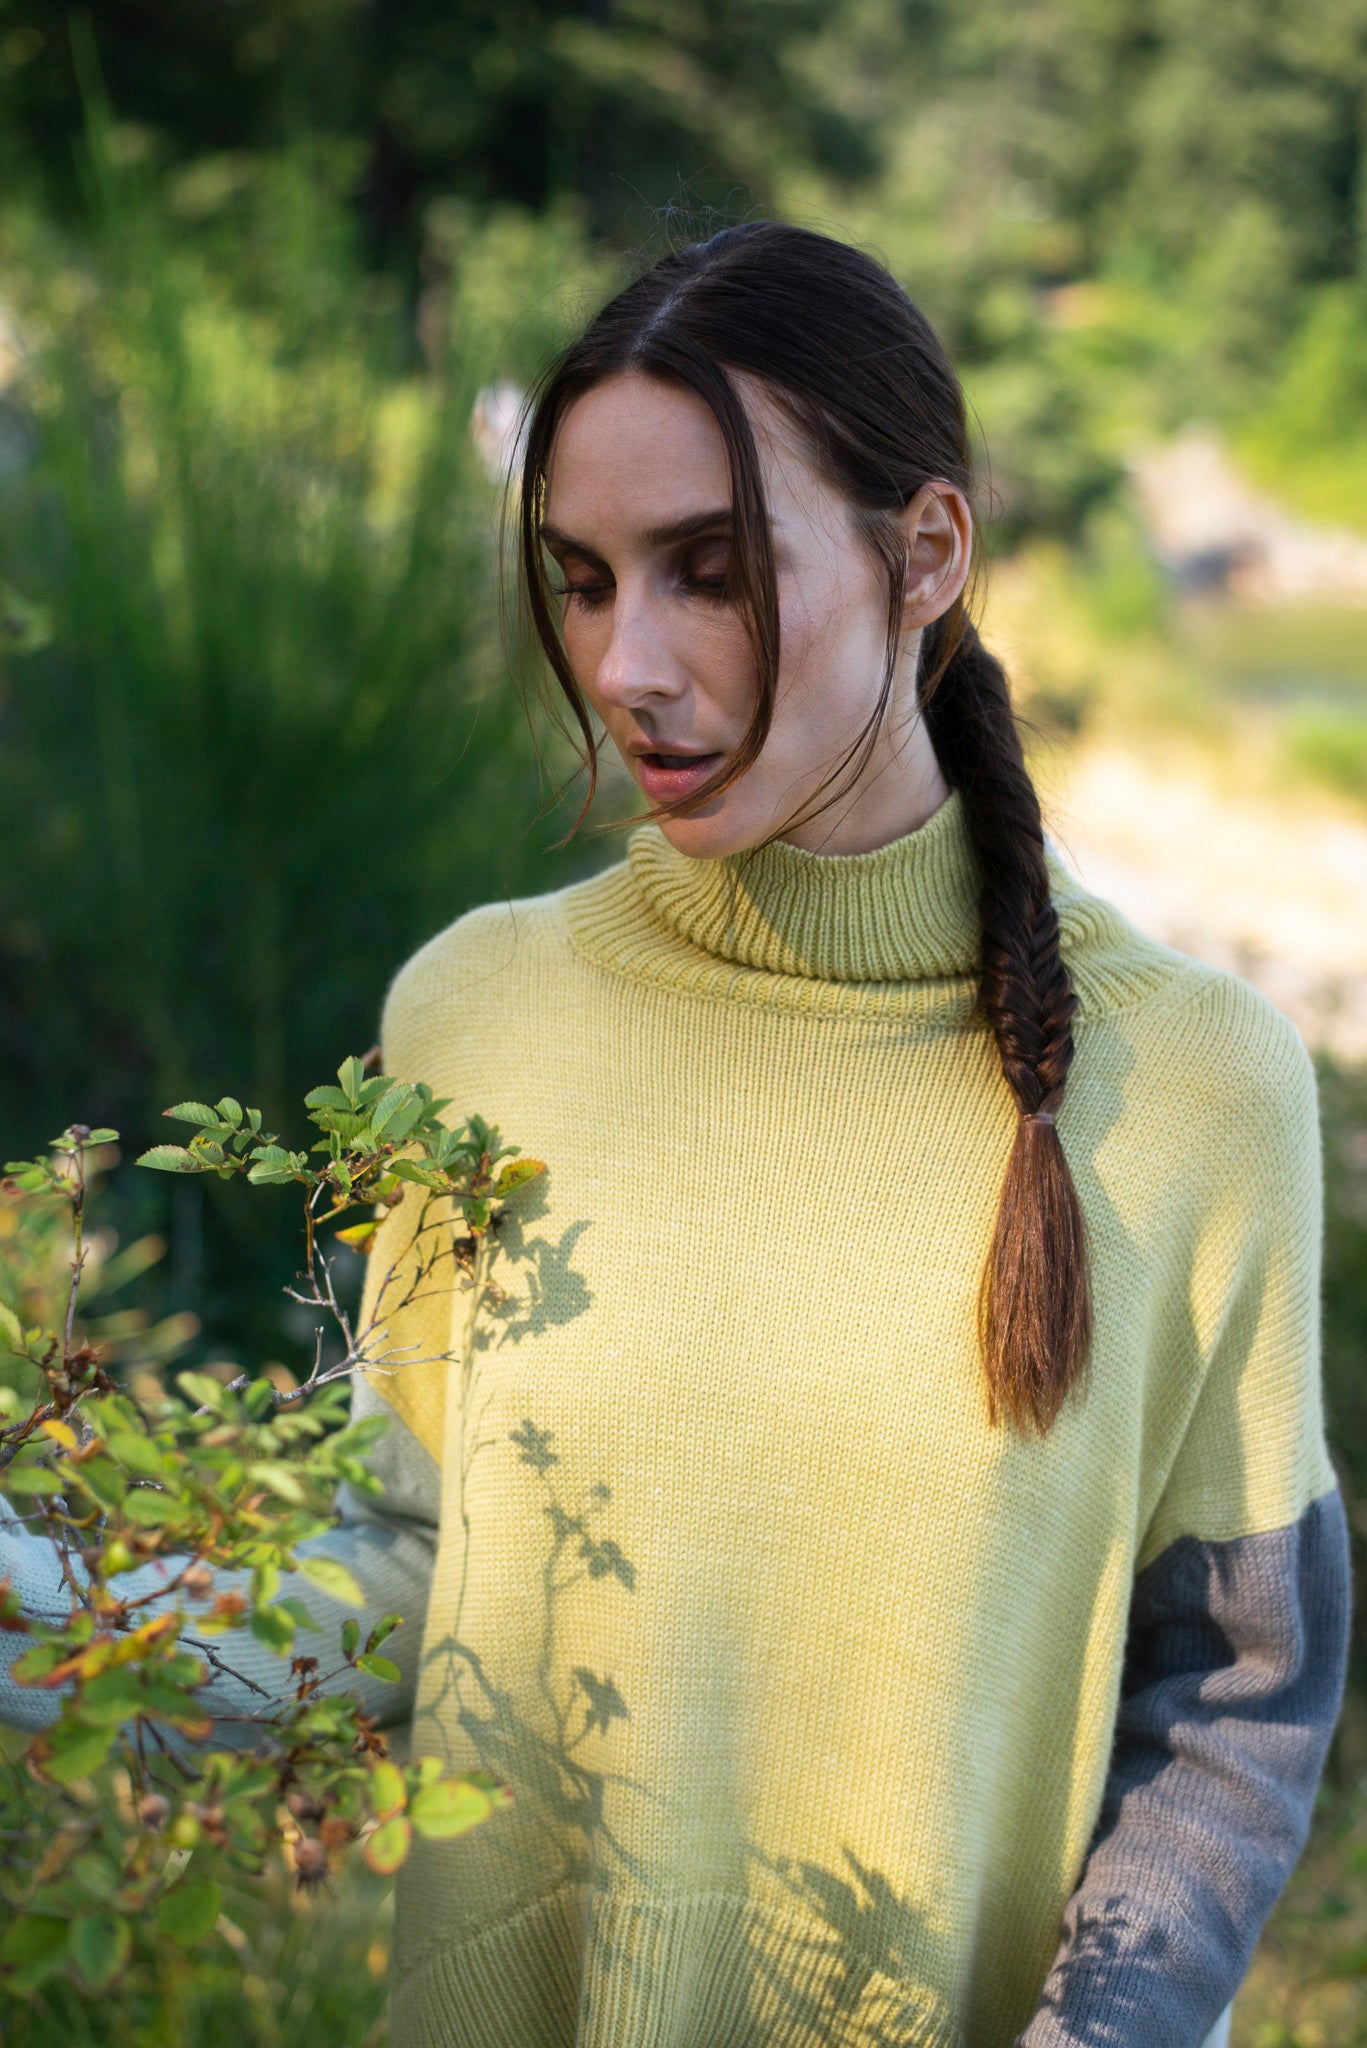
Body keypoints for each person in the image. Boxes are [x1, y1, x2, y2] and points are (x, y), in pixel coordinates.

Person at [1, 221, 1350, 2047]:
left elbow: (1233, 1703)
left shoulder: (1200, 1086)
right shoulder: (474, 1016)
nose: (627, 661)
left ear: (928, 551)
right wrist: (49, 1604)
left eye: (708, 572)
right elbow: (411, 1557)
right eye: (580, 579)